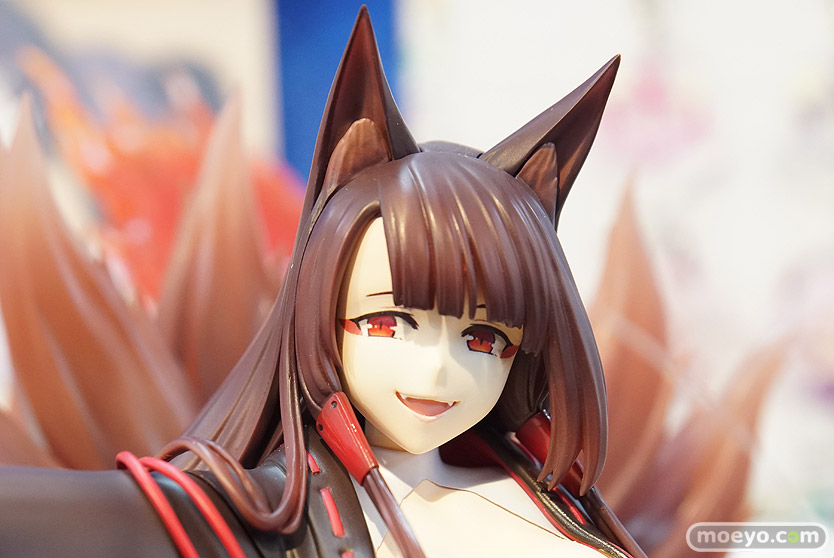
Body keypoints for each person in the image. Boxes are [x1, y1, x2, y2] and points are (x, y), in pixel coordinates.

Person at [0, 8, 643, 558]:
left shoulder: (548, 496)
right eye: (388, 323)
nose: (438, 370)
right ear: (323, 315)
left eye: (482, 339)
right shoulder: (272, 514)